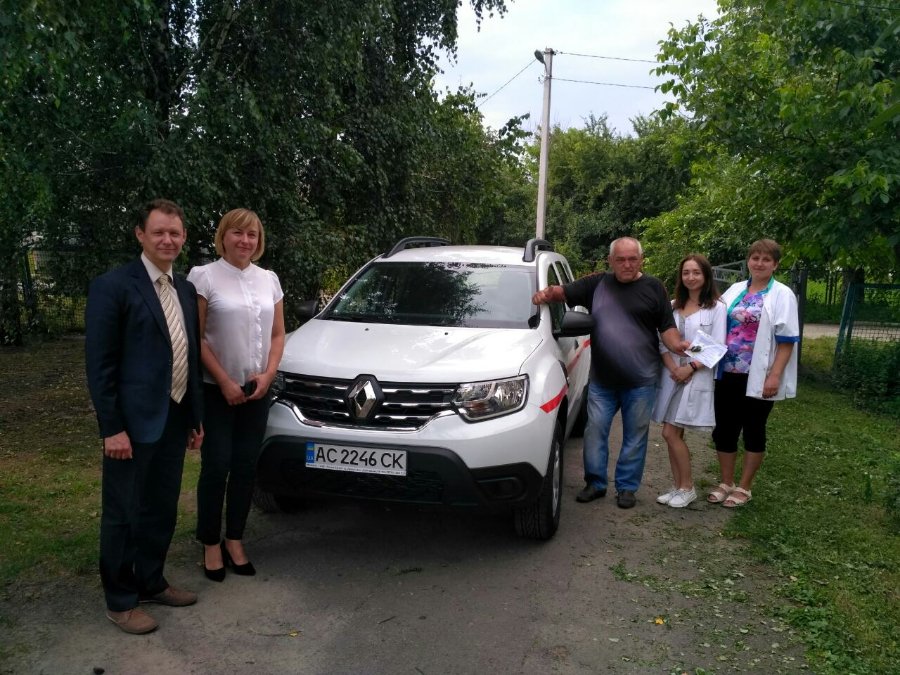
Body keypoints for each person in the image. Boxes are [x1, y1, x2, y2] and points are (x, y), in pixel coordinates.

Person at [85, 198, 204, 635]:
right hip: (131, 426)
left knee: (161, 507)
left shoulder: (185, 290)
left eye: (174, 233)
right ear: (140, 234)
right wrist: (112, 428)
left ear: (184, 236)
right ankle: (120, 601)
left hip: (174, 418)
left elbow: (189, 354)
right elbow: (100, 365)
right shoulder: (113, 286)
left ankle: (151, 581)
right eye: (158, 232)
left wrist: (194, 418)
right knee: (123, 512)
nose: (167, 240)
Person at [532, 237, 689, 508]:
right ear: (610, 261)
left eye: (632, 259)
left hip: (641, 381)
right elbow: (562, 292)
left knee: (635, 436)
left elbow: (667, 327)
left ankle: (627, 488)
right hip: (602, 381)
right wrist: (544, 295)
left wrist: (679, 345)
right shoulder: (596, 284)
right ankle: (595, 483)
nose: (627, 264)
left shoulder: (654, 288)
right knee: (595, 432)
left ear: (641, 260)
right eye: (621, 259)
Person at [187, 208, 285, 581]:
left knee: (245, 467)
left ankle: (235, 539)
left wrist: (269, 374)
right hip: (217, 390)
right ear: (223, 236)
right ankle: (210, 542)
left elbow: (278, 334)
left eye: (252, 235)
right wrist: (224, 381)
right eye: (237, 233)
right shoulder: (204, 277)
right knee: (216, 466)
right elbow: (196, 336)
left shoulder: (268, 279)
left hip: (257, 390)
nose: (245, 241)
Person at [708, 239, 799, 507]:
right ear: (748, 260)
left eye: (766, 259)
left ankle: (744, 487)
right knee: (724, 429)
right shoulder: (736, 289)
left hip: (758, 375)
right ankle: (726, 482)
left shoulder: (782, 295)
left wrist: (775, 375)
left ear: (775, 264)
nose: (759, 263)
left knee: (753, 429)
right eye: (755, 258)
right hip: (727, 372)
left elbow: (786, 341)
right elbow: (714, 318)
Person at [651, 254, 726, 508]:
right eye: (686, 273)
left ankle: (687, 487)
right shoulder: (672, 306)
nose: (690, 277)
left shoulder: (717, 308)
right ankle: (678, 486)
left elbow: (717, 346)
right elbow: (661, 341)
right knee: (673, 432)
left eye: (696, 272)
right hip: (672, 375)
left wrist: (690, 368)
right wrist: (674, 367)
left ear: (706, 276)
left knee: (669, 432)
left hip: (695, 376)